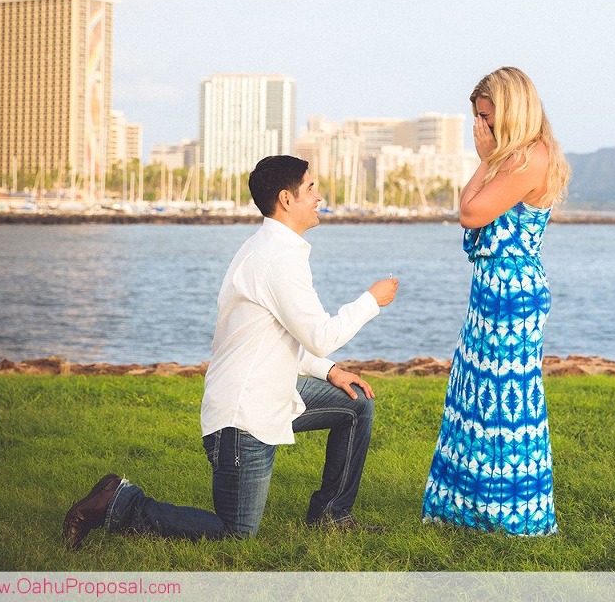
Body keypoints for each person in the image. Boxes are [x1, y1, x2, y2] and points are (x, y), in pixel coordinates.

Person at [63, 155, 399, 547]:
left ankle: (331, 515)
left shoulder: (274, 249)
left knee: (355, 404)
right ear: (286, 200)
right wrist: (371, 301)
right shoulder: (275, 258)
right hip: (241, 419)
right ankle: (117, 501)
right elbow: (320, 335)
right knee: (234, 534)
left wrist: (330, 373)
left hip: (270, 395)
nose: (318, 196)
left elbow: (280, 335)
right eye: (310, 188)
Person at [421, 66, 571, 536]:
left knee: (506, 405)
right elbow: (469, 212)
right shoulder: (515, 157)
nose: (480, 128)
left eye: (486, 117)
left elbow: (469, 212)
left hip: (512, 296)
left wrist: (485, 158)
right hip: (491, 289)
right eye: (477, 118)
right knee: (475, 396)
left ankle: (510, 513)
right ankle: (468, 507)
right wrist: (490, 157)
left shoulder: (530, 158)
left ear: (510, 111)